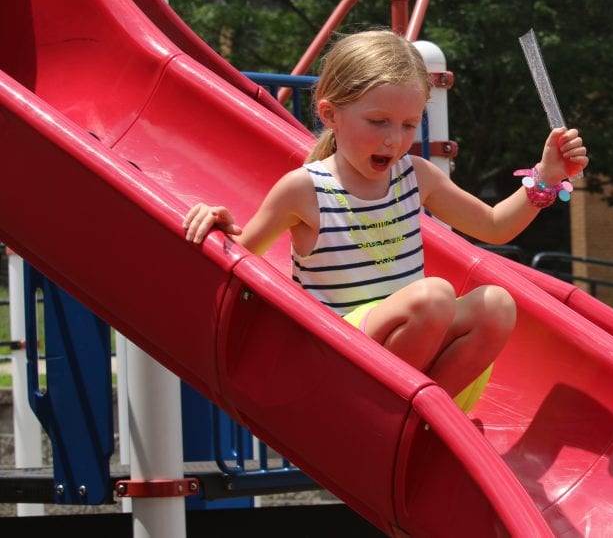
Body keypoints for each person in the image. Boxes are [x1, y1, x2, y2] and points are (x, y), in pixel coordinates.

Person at [183, 29, 588, 411]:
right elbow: (240, 260)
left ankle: (427, 417)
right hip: (340, 360)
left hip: (418, 365)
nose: (394, 139)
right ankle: (401, 414)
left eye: (409, 125)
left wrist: (546, 177)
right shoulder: (304, 188)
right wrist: (216, 223)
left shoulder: (415, 176)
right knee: (434, 296)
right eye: (378, 122)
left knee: (497, 304)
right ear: (330, 114)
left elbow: (495, 226)